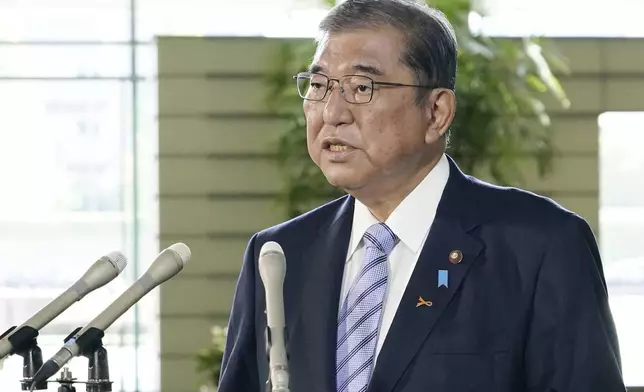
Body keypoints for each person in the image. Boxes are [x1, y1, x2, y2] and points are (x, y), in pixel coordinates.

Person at [217, 1, 626, 391]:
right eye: (320, 86)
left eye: (362, 87)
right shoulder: (279, 255)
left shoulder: (540, 246)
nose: (331, 112)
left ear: (436, 112)